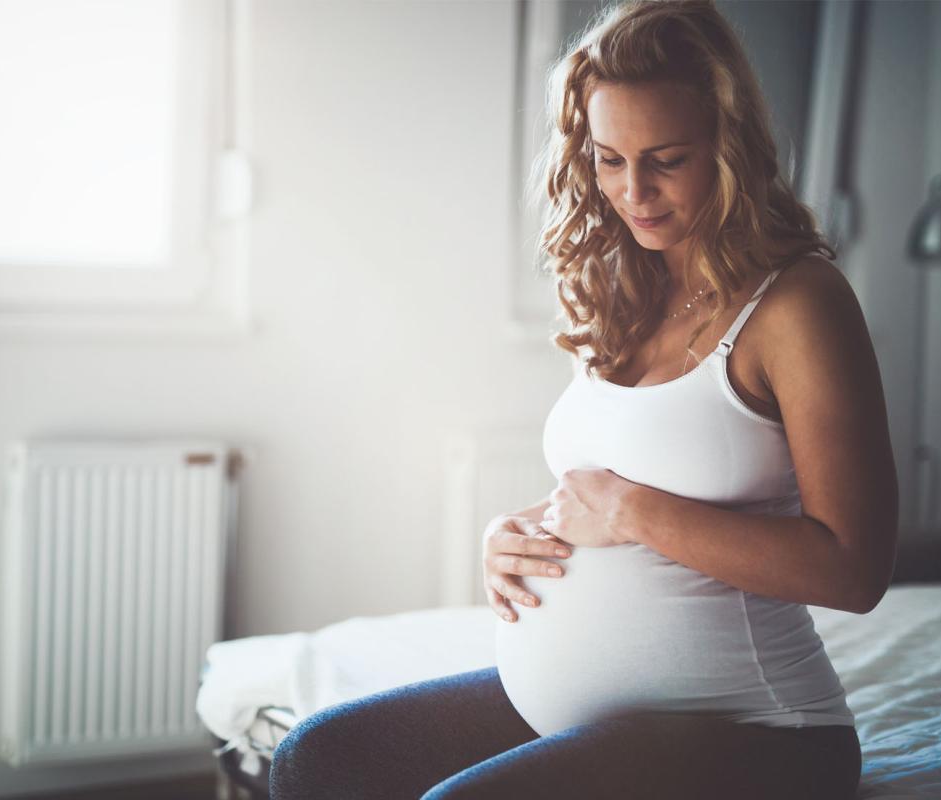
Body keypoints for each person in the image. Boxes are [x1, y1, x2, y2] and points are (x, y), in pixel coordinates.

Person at [268, 1, 897, 797]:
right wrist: (521, 531)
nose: (634, 192)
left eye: (667, 159)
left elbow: (856, 569)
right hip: (584, 716)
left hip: (758, 731)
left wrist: (634, 512)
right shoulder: (626, 285)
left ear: (728, 148)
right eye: (609, 159)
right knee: (317, 757)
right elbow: (606, 483)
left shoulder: (798, 303)